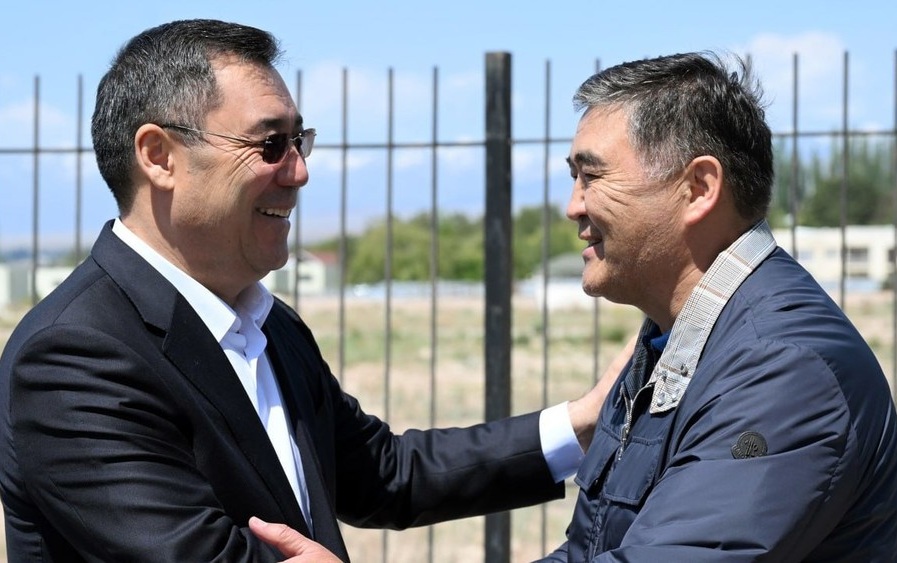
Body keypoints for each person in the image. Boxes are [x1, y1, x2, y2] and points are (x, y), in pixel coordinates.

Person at [0, 19, 623, 562]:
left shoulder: (267, 325)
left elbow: (383, 475)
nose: (299, 171)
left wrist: (582, 424)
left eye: (300, 141)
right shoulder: (74, 356)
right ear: (159, 155)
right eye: (271, 144)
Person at [253, 50, 897, 563]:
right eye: (572, 177)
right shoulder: (671, 344)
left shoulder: (782, 372)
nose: (572, 206)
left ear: (699, 188)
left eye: (592, 176)